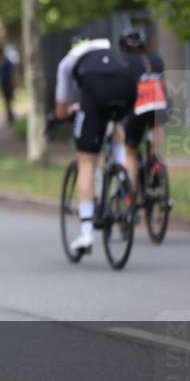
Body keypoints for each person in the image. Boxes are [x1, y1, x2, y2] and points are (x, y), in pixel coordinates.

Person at [54, 35, 137, 255]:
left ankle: (86, 233)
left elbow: (62, 110)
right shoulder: (109, 49)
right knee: (116, 123)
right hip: (126, 86)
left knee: (86, 161)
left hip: (95, 94)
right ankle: (122, 179)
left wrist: (65, 114)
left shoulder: (67, 63)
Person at [116, 26, 168, 194]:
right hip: (160, 104)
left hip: (139, 106)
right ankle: (156, 162)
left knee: (130, 152)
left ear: (124, 47)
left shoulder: (124, 61)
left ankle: (129, 195)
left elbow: (125, 90)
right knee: (156, 127)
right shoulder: (157, 59)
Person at [0, 47, 16, 125]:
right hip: (4, 84)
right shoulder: (1, 62)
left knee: (9, 100)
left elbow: (11, 73)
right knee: (6, 101)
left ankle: (11, 116)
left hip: (8, 84)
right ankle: (9, 115)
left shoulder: (6, 62)